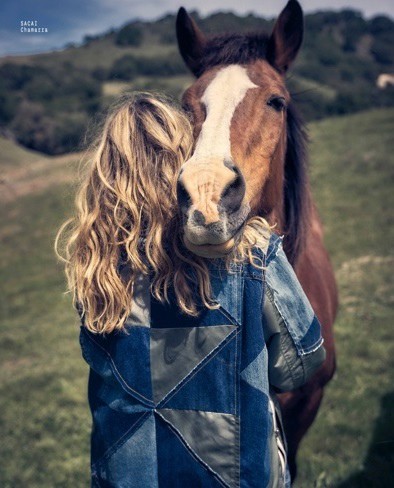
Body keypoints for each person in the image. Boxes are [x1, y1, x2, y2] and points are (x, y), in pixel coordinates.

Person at [55, 92, 325, 488]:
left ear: (105, 174)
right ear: (187, 157)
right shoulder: (250, 250)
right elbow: (303, 362)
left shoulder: (94, 265)